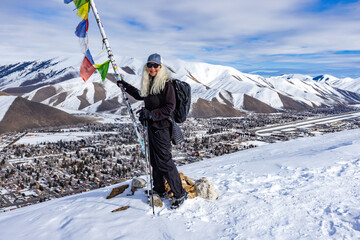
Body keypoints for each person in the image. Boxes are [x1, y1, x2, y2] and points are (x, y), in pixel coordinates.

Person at [117, 53, 188, 209]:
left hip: (162, 128)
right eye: (150, 65)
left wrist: (151, 114)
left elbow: (170, 107)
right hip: (151, 127)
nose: (152, 68)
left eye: (155, 65)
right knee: (154, 160)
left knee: (165, 162)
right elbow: (142, 96)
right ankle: (159, 189)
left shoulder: (166, 83)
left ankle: (180, 194)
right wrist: (125, 86)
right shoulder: (149, 82)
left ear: (161, 67)